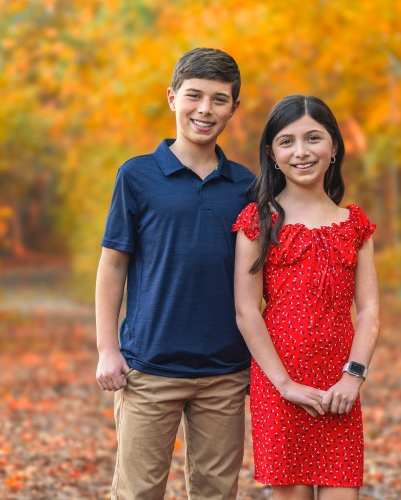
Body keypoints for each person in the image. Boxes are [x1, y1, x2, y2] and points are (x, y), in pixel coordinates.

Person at [95, 48, 255, 499]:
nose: (205, 109)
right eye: (194, 96)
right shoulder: (137, 176)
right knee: (138, 491)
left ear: (234, 109)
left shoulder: (246, 185)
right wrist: (108, 349)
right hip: (149, 368)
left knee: (216, 492)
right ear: (172, 98)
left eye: (219, 100)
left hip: (224, 371)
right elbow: (113, 264)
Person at [233, 95, 380, 499]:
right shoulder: (259, 220)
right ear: (271, 153)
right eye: (287, 141)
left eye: (313, 138)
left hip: (339, 387)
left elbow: (368, 311)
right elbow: (247, 312)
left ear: (333, 145)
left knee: (342, 492)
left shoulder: (354, 224)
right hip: (279, 385)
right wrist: (284, 384)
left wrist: (354, 376)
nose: (301, 152)